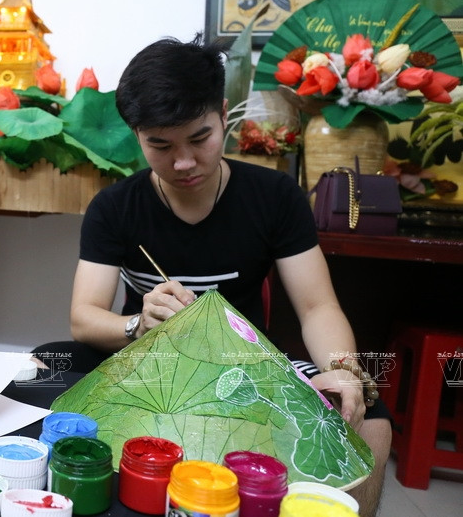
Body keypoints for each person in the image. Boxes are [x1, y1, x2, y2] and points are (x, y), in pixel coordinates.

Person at [35, 34, 390, 517]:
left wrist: (344, 371)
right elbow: (84, 317)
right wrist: (138, 324)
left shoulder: (274, 196)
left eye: (200, 138)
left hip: (246, 363)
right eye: (160, 145)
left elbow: (317, 307)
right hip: (145, 361)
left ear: (223, 115)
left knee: (369, 415)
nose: (183, 162)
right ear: (137, 135)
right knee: (41, 366)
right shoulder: (115, 207)